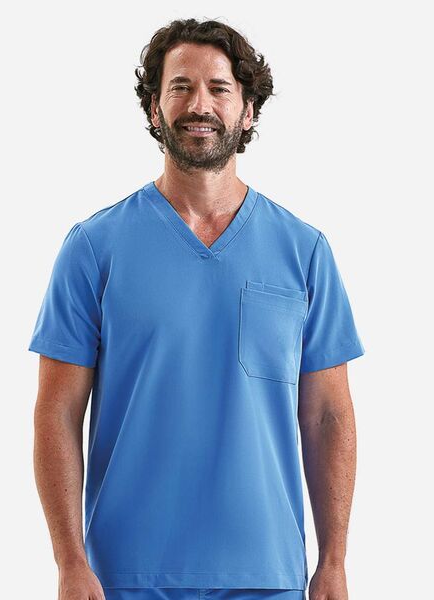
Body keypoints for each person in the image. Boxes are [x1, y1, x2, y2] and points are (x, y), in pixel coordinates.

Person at [28, 17, 365, 600]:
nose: (199, 104)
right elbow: (57, 413)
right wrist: (69, 562)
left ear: (248, 111)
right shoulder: (94, 248)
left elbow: (328, 416)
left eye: (219, 88)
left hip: (267, 575)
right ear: (154, 109)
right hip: (124, 577)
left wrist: (333, 561)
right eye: (180, 87)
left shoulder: (304, 251)